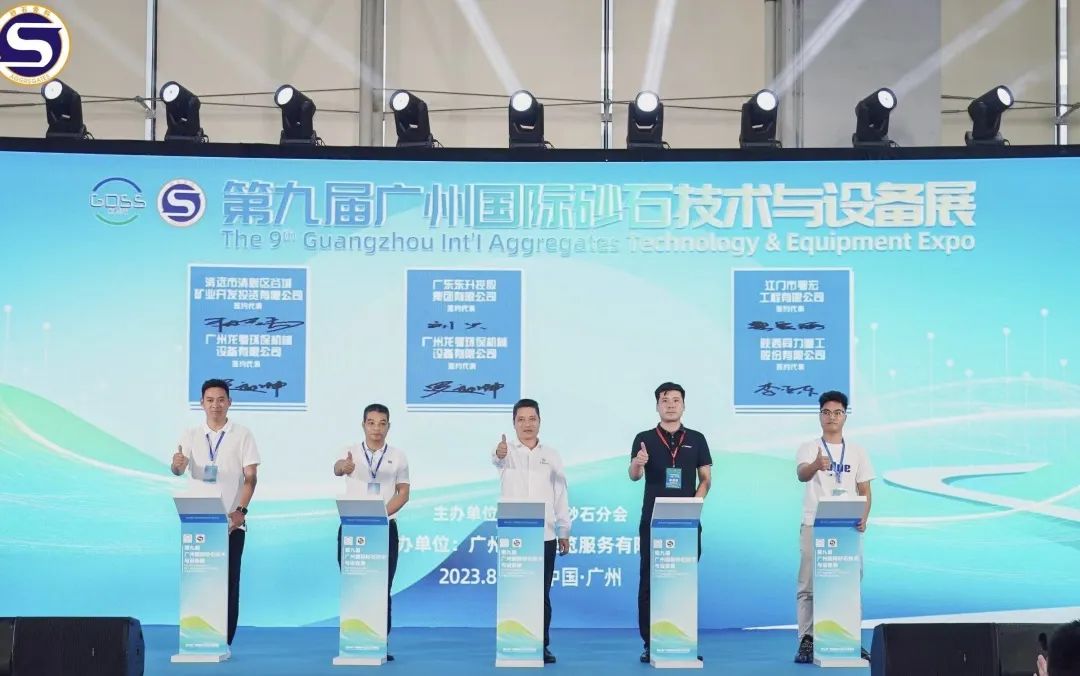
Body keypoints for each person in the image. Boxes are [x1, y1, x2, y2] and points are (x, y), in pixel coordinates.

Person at [171, 378, 260, 655]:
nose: (215, 405)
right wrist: (176, 466)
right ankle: (195, 639)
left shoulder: (242, 434)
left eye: (221, 400)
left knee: (228, 583)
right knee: (198, 581)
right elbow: (178, 469)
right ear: (201, 403)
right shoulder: (190, 434)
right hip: (198, 523)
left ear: (229, 402)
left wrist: (240, 511)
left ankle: (223, 641)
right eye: (210, 400)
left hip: (231, 524)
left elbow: (251, 477)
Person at [629, 382, 712, 663]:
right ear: (657, 406)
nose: (671, 405)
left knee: (682, 581)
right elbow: (633, 476)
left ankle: (682, 640)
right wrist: (638, 462)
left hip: (687, 522)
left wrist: (694, 506)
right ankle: (650, 643)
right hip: (653, 522)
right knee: (650, 581)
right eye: (665, 400)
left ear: (684, 405)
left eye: (676, 400)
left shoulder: (697, 439)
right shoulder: (644, 438)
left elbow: (706, 480)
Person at [793, 390, 875, 664]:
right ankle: (807, 639)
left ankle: (849, 639)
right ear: (820, 416)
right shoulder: (809, 447)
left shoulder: (858, 451)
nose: (832, 417)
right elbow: (801, 474)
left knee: (849, 583)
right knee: (808, 585)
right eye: (826, 412)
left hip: (846, 528)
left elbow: (864, 489)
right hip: (814, 524)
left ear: (845, 416)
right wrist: (816, 465)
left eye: (837, 412)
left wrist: (864, 516)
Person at [492, 398, 570, 664]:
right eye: (521, 419)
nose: (527, 424)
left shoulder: (552, 455)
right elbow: (496, 458)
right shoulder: (507, 452)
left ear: (540, 421)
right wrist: (500, 452)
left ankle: (541, 644)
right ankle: (511, 643)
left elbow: (560, 494)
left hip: (545, 535)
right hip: (513, 536)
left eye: (532, 419)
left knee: (541, 594)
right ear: (514, 423)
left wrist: (563, 529)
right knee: (514, 591)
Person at [333, 403, 410, 661]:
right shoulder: (350, 452)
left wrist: (380, 515)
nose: (376, 428)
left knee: (382, 586)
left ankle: (379, 642)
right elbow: (337, 468)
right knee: (354, 584)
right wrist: (343, 467)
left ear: (389, 426)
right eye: (371, 422)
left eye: (382, 423)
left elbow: (403, 493)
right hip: (353, 528)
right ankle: (353, 640)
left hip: (385, 528)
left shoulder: (398, 456)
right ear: (363, 425)